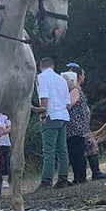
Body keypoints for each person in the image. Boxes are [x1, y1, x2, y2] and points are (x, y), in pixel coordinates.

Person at [64, 62, 106, 182]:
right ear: (78, 76)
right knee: (80, 151)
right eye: (83, 74)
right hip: (77, 126)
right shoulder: (74, 90)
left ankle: (96, 171)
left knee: (91, 146)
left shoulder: (77, 89)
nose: (84, 77)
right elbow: (69, 104)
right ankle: (83, 176)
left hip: (82, 125)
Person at [36, 56, 71, 188]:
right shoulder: (62, 79)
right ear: (53, 66)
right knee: (62, 149)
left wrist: (43, 113)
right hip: (63, 115)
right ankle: (63, 178)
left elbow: (44, 97)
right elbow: (68, 104)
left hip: (51, 115)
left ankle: (46, 180)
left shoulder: (41, 78)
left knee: (48, 150)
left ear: (40, 66)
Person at [0, 112, 12, 190]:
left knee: (5, 161)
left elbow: (10, 127)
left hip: (4, 143)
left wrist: (2, 132)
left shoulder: (5, 117)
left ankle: (5, 181)